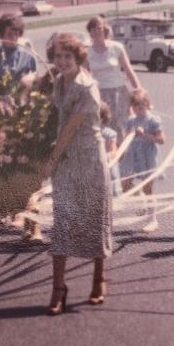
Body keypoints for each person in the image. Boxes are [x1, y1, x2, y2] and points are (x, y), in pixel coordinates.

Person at [40, 34, 113, 314]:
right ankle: (59, 288)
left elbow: (70, 129)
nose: (62, 62)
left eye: (67, 57)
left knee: (93, 219)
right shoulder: (59, 81)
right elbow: (54, 120)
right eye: (58, 56)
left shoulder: (88, 87)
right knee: (63, 220)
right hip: (66, 160)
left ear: (78, 58)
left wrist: (51, 161)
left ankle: (99, 278)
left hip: (88, 160)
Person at [119, 87, 164, 232]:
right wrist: (120, 152)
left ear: (147, 104)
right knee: (124, 185)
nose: (139, 108)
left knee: (148, 188)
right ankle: (141, 199)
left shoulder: (152, 120)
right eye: (136, 106)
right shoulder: (131, 120)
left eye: (142, 105)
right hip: (133, 156)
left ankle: (152, 220)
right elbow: (126, 137)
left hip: (147, 157)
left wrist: (145, 135)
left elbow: (161, 139)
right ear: (132, 107)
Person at [86, 15, 141, 133]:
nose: (96, 31)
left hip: (118, 93)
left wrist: (139, 91)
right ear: (90, 32)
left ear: (104, 30)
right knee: (103, 128)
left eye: (99, 28)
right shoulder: (87, 52)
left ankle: (124, 151)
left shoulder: (117, 47)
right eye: (93, 28)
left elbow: (129, 71)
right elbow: (85, 76)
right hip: (99, 94)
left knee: (121, 126)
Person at [0, 12, 37, 87]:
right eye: (9, 34)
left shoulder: (28, 57)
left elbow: (36, 82)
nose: (13, 38)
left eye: (16, 34)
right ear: (1, 35)